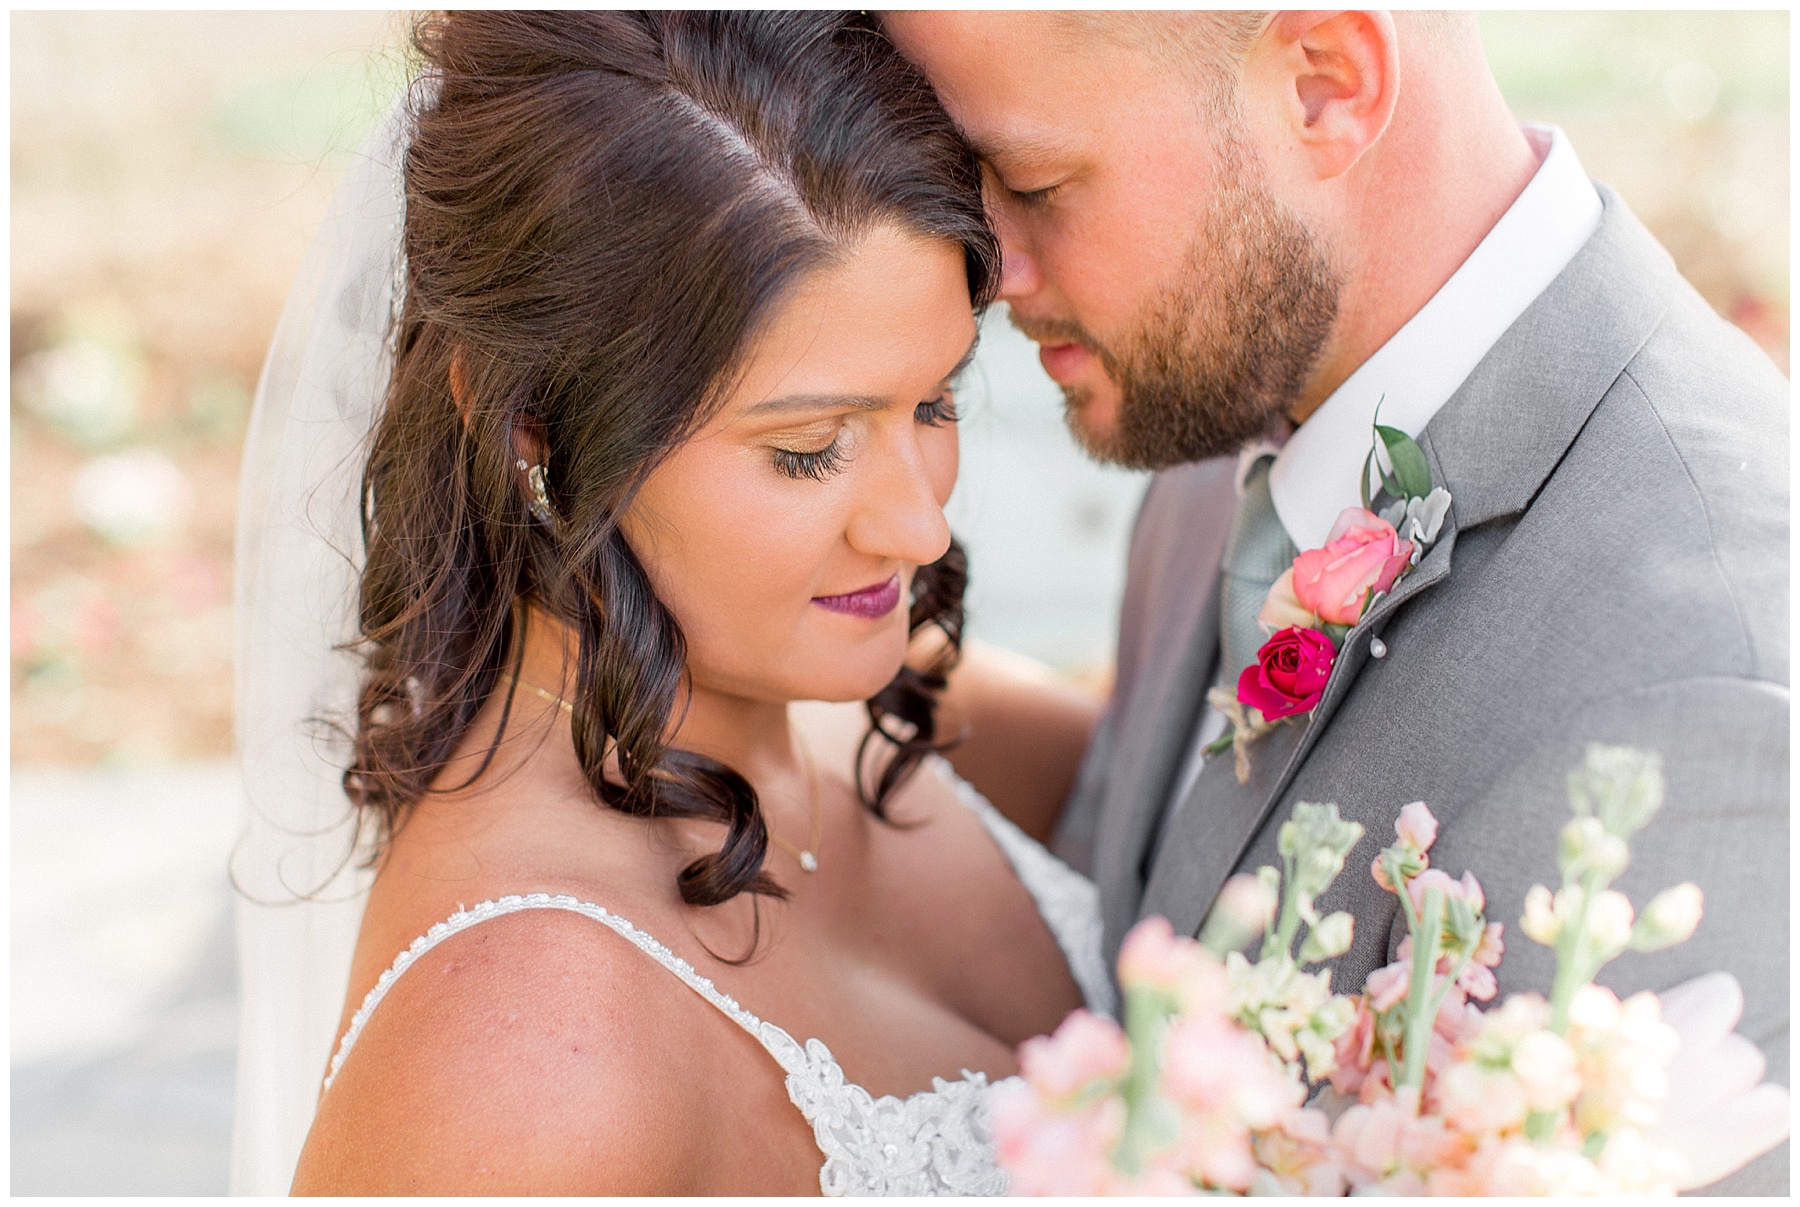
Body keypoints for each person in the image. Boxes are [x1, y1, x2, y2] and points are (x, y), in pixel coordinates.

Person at [884, 10, 1789, 1193]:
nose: (993, 268)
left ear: (1324, 85)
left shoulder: (1710, 684)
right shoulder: (1225, 403)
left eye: (1034, 181)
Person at [236, 11, 1111, 1195]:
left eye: (935, 400)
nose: (919, 526)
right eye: (810, 447)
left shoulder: (859, 700)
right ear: (534, 431)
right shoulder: (524, 1052)